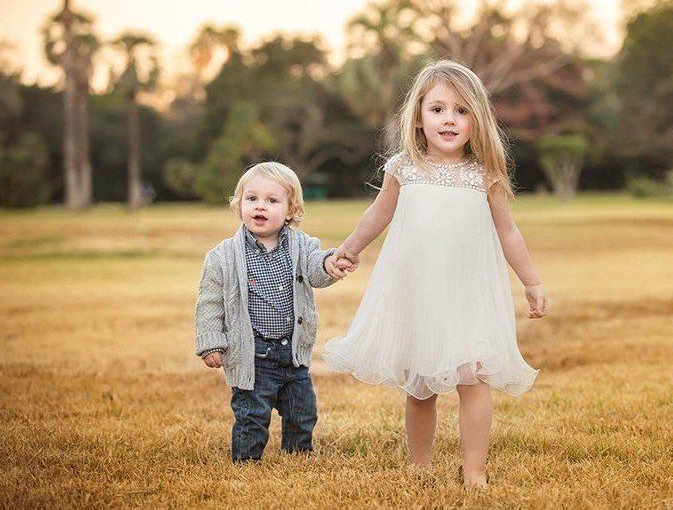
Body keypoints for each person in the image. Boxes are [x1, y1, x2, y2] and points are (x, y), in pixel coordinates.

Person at [323, 59, 548, 487]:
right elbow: (377, 215)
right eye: (438, 109)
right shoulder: (403, 168)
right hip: (419, 292)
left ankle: (475, 471)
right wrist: (348, 250)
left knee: (474, 378)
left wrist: (532, 281)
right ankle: (419, 466)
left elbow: (509, 232)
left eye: (462, 111)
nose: (449, 119)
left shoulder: (484, 175)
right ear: (420, 117)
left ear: (476, 120)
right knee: (420, 385)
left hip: (467, 292)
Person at [194, 161, 351, 462]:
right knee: (252, 415)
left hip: (292, 352)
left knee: (302, 412)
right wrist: (211, 342)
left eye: (272, 200)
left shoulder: (302, 246)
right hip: (253, 354)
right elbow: (209, 303)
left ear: (291, 210)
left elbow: (316, 268)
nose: (260, 207)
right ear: (239, 205)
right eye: (251, 199)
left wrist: (329, 263)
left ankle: (297, 455)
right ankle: (247, 461)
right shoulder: (222, 257)